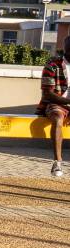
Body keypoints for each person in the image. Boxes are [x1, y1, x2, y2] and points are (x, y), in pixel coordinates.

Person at [38, 33, 69, 177]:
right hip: (57, 103)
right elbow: (47, 94)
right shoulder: (52, 66)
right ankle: (57, 162)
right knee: (57, 119)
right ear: (66, 50)